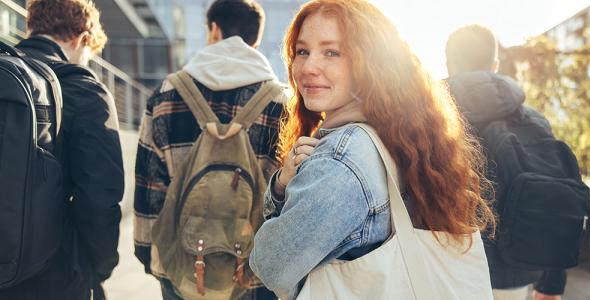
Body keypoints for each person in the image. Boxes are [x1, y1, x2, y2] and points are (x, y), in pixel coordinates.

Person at [249, 1, 495, 299]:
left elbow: (270, 265)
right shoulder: (400, 135)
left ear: (371, 62)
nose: (308, 67)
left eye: (332, 52)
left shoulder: (342, 157)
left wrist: (279, 189)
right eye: (302, 51)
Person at [133, 0, 286, 299]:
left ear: (214, 30)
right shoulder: (281, 102)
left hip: (183, 269)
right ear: (254, 38)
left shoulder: (167, 93)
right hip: (255, 274)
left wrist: (148, 254)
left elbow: (149, 187)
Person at [0, 0, 124, 299]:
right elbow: (100, 197)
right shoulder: (84, 89)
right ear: (81, 38)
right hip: (54, 273)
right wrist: (98, 268)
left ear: (30, 26)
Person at [445, 24, 566, 300]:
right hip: (515, 271)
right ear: (494, 64)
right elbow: (553, 197)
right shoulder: (533, 120)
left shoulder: (429, 119)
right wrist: (551, 284)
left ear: (449, 64)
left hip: (447, 271)